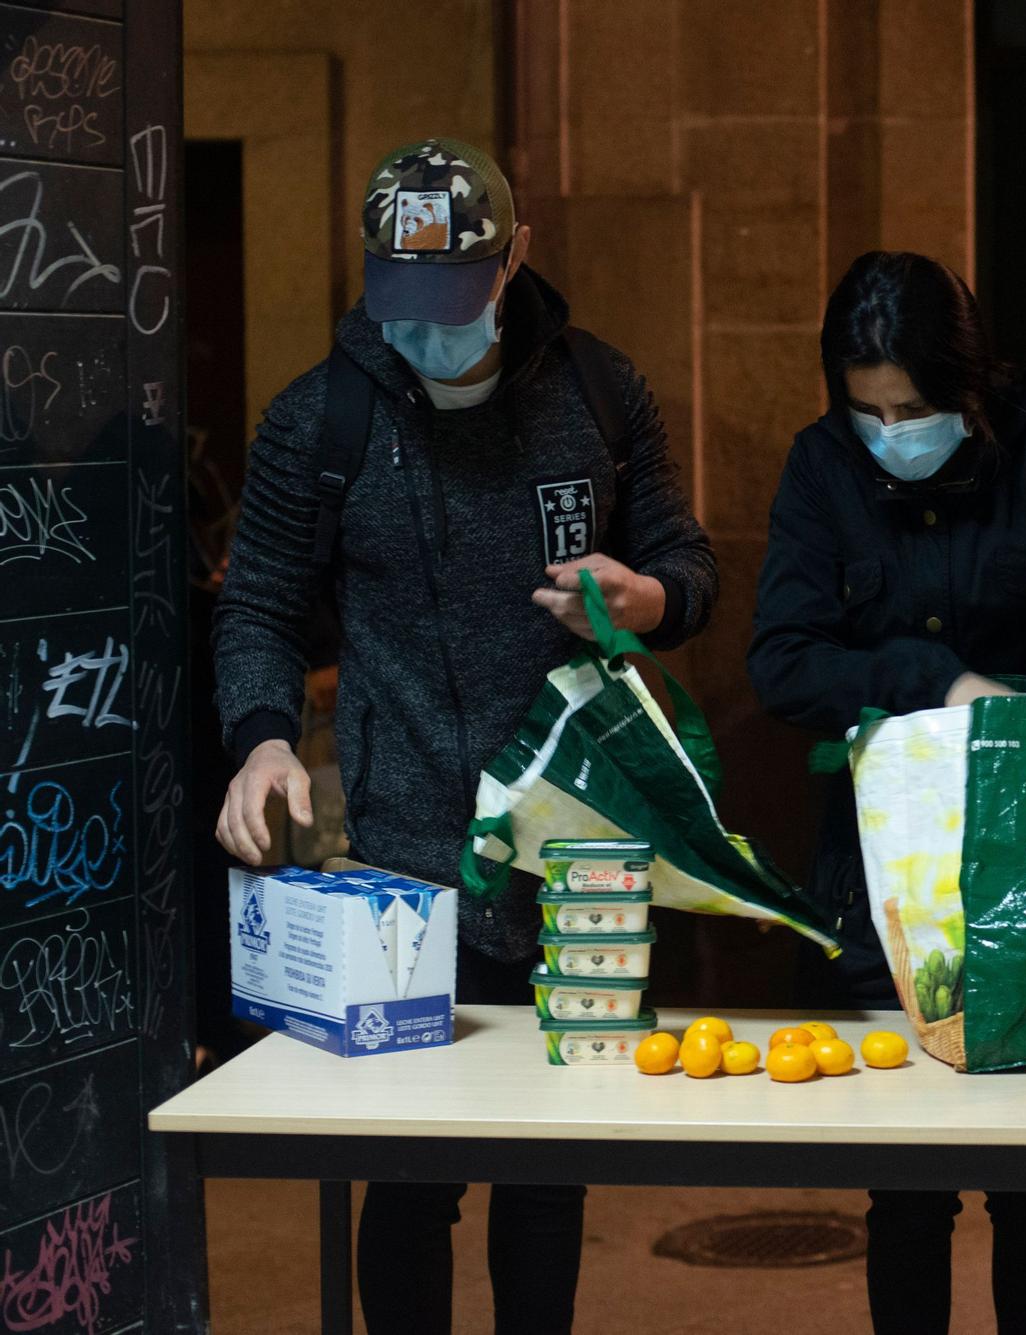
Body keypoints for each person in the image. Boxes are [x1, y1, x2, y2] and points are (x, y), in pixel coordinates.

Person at [212, 137, 716, 1335]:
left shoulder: (597, 394)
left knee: (546, 1172)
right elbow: (260, 605)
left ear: (515, 260)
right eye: (404, 305)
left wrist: (645, 601)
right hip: (406, 851)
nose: (429, 333)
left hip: (574, 845)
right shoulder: (319, 420)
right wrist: (265, 738)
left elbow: (688, 566)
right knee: (412, 1171)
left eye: (452, 303)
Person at [748, 250, 1026, 1334]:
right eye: (868, 410)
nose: (892, 430)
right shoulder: (822, 467)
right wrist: (930, 681)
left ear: (970, 387)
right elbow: (783, 661)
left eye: (915, 406)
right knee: (904, 1177)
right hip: (889, 867)